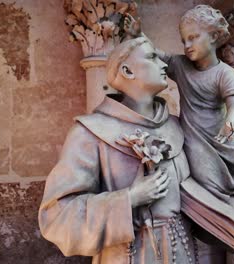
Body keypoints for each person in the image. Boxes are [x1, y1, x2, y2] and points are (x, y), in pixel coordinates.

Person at [38, 37, 198, 264]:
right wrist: (129, 198)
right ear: (127, 70)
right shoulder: (90, 132)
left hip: (181, 254)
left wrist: (230, 216)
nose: (164, 65)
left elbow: (194, 189)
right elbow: (56, 217)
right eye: (153, 57)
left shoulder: (174, 126)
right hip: (124, 255)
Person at [124, 5, 234, 202]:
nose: (187, 45)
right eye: (183, 40)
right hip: (193, 136)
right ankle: (219, 206)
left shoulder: (224, 73)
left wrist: (230, 122)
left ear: (214, 36)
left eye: (193, 37)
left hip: (219, 131)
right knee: (204, 177)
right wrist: (139, 34)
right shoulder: (180, 65)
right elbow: (155, 54)